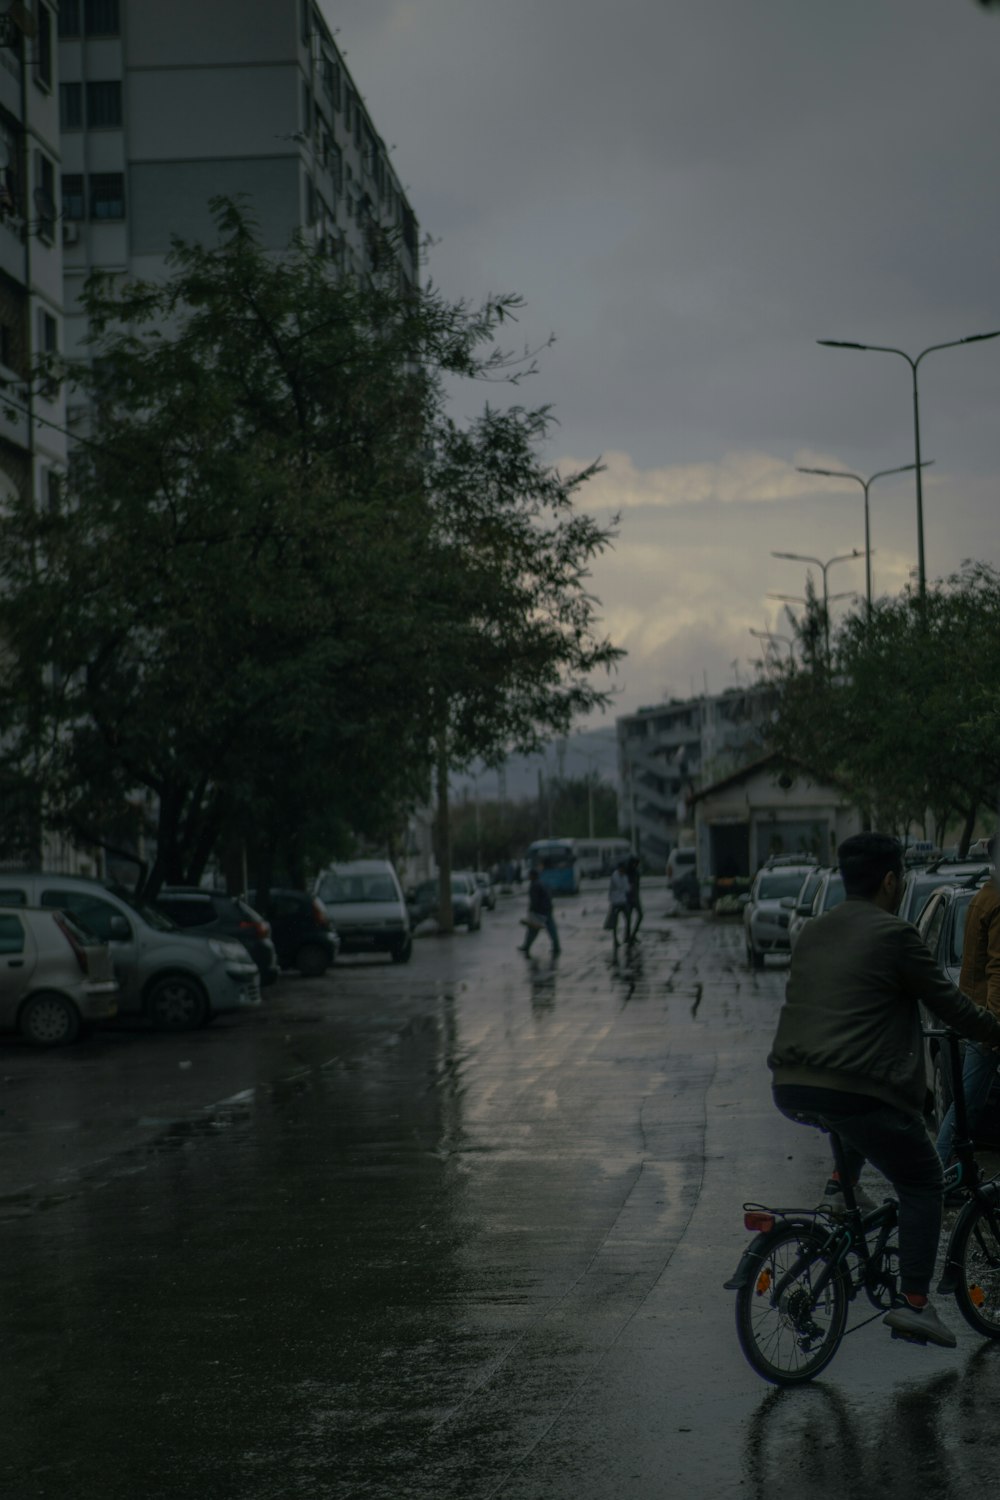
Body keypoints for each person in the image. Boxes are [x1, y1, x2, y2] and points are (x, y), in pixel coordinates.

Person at [768, 832, 1000, 1350]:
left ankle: (837, 1190)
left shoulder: (814, 932)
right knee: (922, 1181)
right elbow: (948, 1004)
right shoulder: (896, 935)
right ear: (892, 880)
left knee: (857, 1110)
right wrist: (993, 1030)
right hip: (853, 1087)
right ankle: (915, 1303)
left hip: (791, 1082)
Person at [936, 837, 1000, 1168]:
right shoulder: (997, 900)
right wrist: (994, 1026)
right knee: (967, 1106)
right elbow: (996, 968)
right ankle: (936, 1176)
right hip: (988, 1023)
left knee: (967, 1105)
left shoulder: (983, 896)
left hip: (977, 1015)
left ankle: (947, 1172)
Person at [518, 867, 560, 956]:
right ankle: (556, 947)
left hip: (540, 911)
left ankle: (526, 946)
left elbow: (534, 900)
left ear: (532, 876)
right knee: (551, 929)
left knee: (532, 930)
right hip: (547, 909)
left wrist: (531, 911)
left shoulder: (534, 885)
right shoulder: (541, 883)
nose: (528, 876)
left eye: (529, 875)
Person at [608, 860, 630, 949]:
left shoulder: (624, 876)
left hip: (623, 901)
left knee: (627, 919)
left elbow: (627, 888)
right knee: (615, 922)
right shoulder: (615, 876)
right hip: (616, 902)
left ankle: (626, 937)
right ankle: (615, 940)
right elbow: (623, 887)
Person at [625, 854, 643, 941]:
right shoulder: (627, 873)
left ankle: (632, 935)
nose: (636, 865)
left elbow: (637, 886)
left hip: (635, 898)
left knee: (640, 915)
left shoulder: (636, 873)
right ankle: (628, 936)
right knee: (628, 919)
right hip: (628, 899)